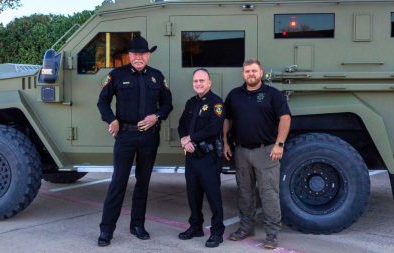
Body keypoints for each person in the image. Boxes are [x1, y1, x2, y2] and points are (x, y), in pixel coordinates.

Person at [96, 36, 173, 247]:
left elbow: (168, 104)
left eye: (143, 54)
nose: (139, 57)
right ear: (130, 56)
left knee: (143, 183)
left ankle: (137, 225)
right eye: (135, 54)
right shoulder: (117, 75)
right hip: (126, 136)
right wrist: (111, 119)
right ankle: (106, 229)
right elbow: (102, 101)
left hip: (149, 136)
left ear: (148, 55)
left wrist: (156, 116)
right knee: (118, 182)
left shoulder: (157, 77)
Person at [223, 59, 291, 249]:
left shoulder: (273, 94)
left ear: (260, 73)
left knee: (268, 193)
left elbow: (285, 118)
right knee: (245, 192)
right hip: (241, 151)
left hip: (266, 151)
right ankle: (246, 227)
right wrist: (226, 142)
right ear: (243, 74)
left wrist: (279, 144)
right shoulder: (234, 95)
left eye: (254, 71)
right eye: (247, 71)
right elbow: (226, 119)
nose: (250, 74)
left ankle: (271, 234)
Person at [178, 68, 225, 248]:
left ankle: (217, 232)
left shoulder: (216, 103)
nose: (198, 84)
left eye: (202, 81)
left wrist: (192, 138)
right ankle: (195, 226)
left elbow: (214, 128)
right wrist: (184, 140)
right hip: (191, 156)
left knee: (213, 197)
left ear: (209, 82)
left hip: (208, 158)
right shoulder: (191, 103)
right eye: (196, 81)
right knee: (193, 195)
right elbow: (182, 124)